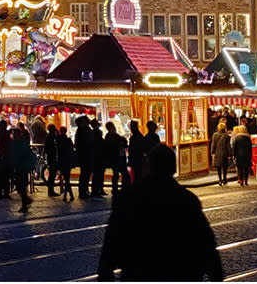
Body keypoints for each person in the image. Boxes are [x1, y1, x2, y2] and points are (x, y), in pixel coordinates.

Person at [97, 145, 223, 281]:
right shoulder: (186, 200)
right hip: (181, 273)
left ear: (148, 167)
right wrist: (215, 273)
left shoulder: (128, 197)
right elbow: (204, 241)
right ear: (173, 169)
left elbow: (113, 239)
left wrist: (105, 271)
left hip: (139, 272)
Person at [10, 128, 36, 213]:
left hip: (22, 167)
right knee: (20, 186)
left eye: (14, 134)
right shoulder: (19, 143)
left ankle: (25, 204)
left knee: (21, 186)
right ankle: (26, 201)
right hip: (20, 167)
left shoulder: (20, 143)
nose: (13, 135)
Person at [104, 122, 129, 194]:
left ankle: (116, 188)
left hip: (116, 157)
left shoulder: (110, 136)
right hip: (117, 157)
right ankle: (122, 188)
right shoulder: (112, 136)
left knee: (117, 174)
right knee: (122, 173)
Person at [74, 116, 93, 200]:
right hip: (86, 155)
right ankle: (83, 191)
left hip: (84, 155)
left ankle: (84, 190)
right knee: (85, 173)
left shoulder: (81, 131)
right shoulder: (84, 131)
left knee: (85, 173)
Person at [57, 126, 76, 202]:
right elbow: (71, 148)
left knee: (66, 177)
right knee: (67, 177)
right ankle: (69, 194)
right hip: (68, 160)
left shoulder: (58, 140)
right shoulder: (68, 140)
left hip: (62, 160)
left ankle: (67, 195)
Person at [0, 121, 12, 198]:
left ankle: (0, 193)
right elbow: (8, 144)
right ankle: (6, 193)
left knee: (0, 176)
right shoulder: (5, 133)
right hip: (6, 156)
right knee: (6, 176)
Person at [90, 119, 108, 197]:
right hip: (98, 156)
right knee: (98, 174)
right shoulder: (95, 133)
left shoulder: (93, 133)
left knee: (99, 174)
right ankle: (96, 191)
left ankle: (99, 189)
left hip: (98, 156)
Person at [210, 122, 231, 186]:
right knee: (224, 167)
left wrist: (212, 152)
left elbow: (213, 144)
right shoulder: (226, 135)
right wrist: (230, 154)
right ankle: (224, 179)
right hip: (225, 152)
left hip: (217, 152)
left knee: (218, 167)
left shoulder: (215, 135)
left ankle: (220, 180)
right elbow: (228, 146)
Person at [44, 124, 61, 197]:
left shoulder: (49, 137)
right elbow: (47, 149)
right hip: (52, 157)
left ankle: (50, 190)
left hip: (52, 157)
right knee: (52, 174)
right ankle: (50, 190)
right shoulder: (51, 137)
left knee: (52, 174)